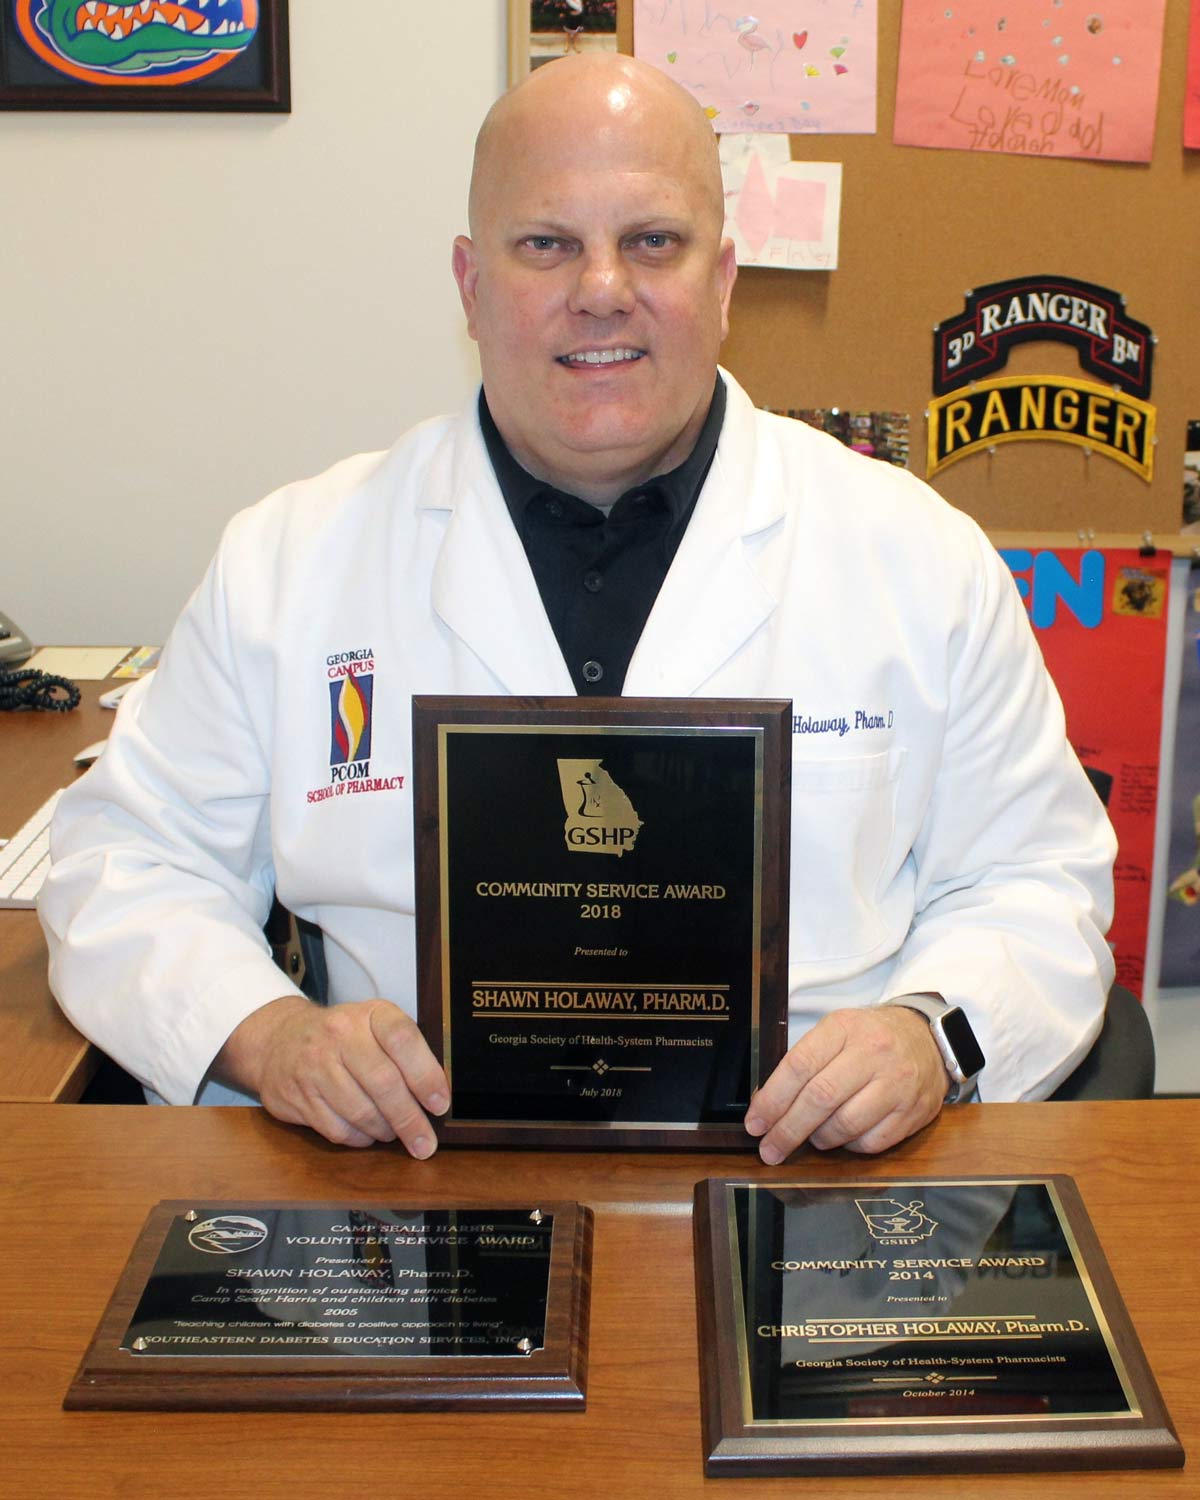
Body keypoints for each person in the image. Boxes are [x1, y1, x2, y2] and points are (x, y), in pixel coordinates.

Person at [40, 54, 1116, 1164]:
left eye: (653, 240)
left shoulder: (916, 558)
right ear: (468, 284)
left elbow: (1036, 881)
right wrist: (269, 1038)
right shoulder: (293, 560)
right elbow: (126, 863)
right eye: (546, 244)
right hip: (407, 1183)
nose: (602, 288)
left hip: (809, 1182)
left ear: (725, 280)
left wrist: (925, 1038)